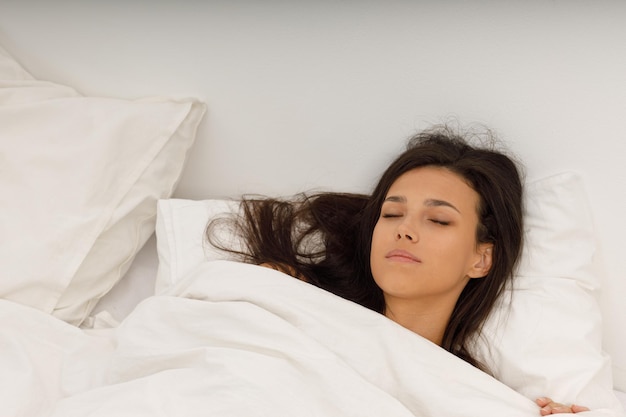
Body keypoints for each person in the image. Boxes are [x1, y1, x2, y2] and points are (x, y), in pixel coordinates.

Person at [206, 125, 589, 415]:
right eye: (391, 214)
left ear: (481, 259)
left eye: (438, 220)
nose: (403, 229)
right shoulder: (290, 295)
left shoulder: (474, 391)